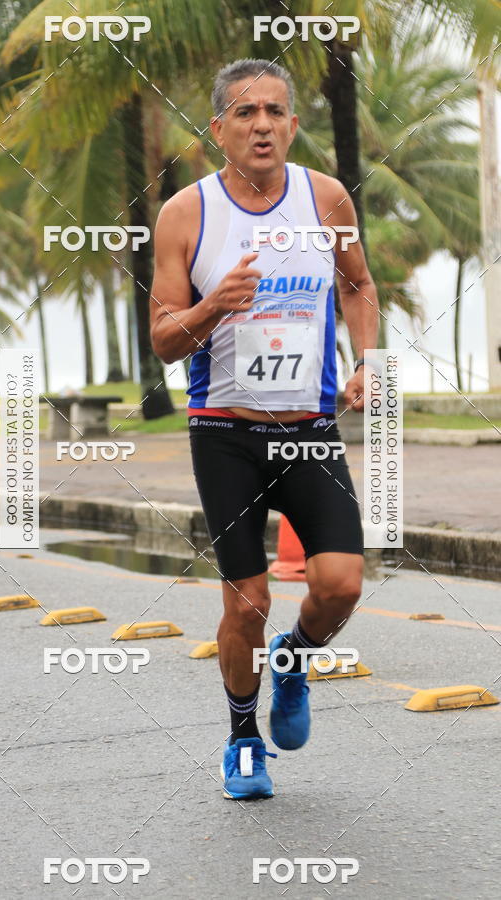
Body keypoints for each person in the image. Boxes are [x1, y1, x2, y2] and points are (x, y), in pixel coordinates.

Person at [150, 58, 379, 800]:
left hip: (309, 428)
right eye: (245, 113)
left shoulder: (326, 197)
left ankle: (295, 657)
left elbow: (358, 284)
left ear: (293, 123)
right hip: (224, 431)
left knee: (341, 583)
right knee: (246, 601)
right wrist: (213, 306)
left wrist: (368, 361)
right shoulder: (187, 213)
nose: (262, 125)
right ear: (218, 129)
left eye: (275, 111)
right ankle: (243, 737)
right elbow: (162, 338)